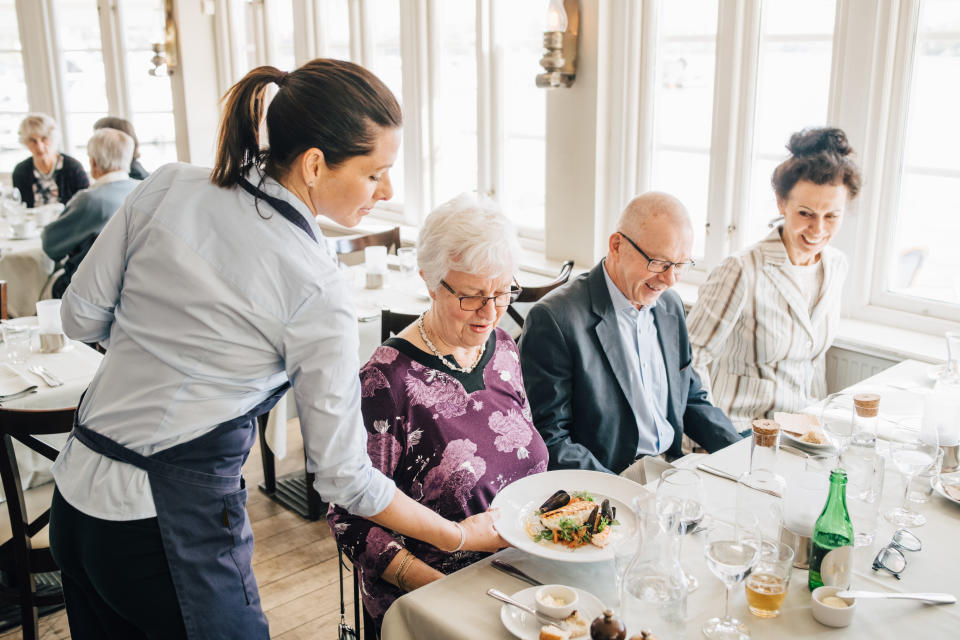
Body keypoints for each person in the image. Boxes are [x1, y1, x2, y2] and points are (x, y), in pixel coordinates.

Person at [48, 60, 503, 640]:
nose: (388, 191)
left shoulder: (168, 184)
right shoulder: (314, 285)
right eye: (375, 174)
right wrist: (457, 535)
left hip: (76, 501)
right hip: (162, 532)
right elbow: (344, 478)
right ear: (315, 163)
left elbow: (78, 315)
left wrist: (159, 352)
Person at [328, 194, 548, 634]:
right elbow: (348, 519)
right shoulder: (384, 383)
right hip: (435, 603)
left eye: (502, 291)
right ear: (430, 281)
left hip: (522, 584)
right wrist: (444, 593)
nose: (489, 313)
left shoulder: (503, 348)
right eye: (471, 296)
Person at [519, 192, 741, 474]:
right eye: (659, 263)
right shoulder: (555, 319)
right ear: (617, 246)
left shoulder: (669, 306)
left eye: (681, 265)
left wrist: (740, 458)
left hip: (672, 469)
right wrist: (620, 492)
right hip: (608, 480)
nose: (670, 280)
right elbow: (550, 439)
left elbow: (691, 397)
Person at [686, 128, 862, 430]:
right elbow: (690, 361)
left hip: (803, 433)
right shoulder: (741, 270)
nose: (818, 229)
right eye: (806, 213)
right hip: (739, 432)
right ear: (781, 203)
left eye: (831, 216)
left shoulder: (836, 266)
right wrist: (710, 436)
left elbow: (811, 362)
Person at [42, 128, 139, 298]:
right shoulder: (142, 189)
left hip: (91, 288)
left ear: (93, 163)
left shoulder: (89, 200)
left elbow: (51, 246)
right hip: (133, 282)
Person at [12, 113, 89, 208]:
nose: (39, 147)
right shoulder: (21, 171)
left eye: (44, 138)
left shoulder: (73, 168)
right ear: (25, 142)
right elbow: (21, 208)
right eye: (32, 140)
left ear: (53, 138)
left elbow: (86, 205)